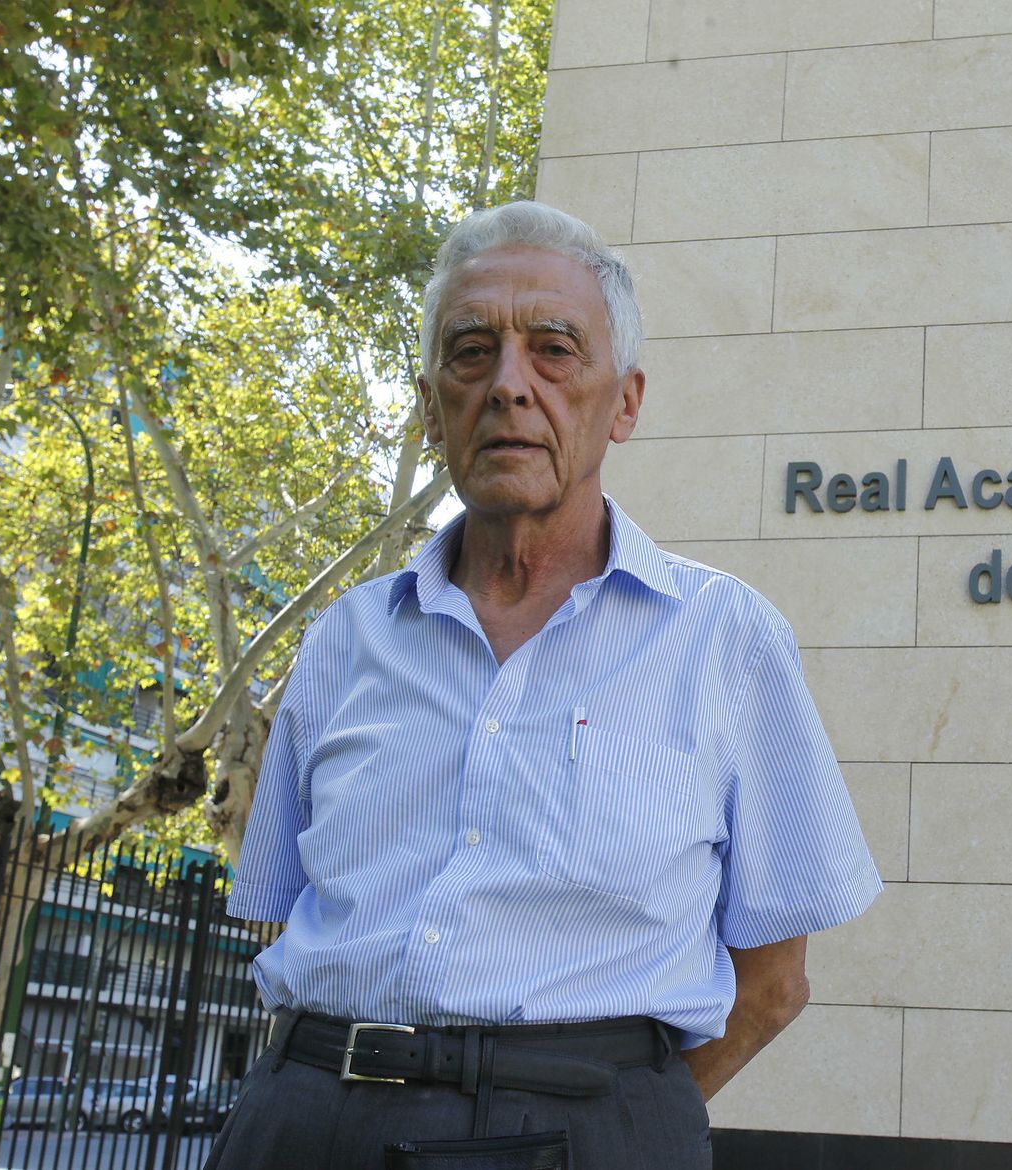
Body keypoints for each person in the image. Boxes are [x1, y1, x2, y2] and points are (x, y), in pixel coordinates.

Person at [210, 200, 882, 1169]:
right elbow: (282, 905)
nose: (509, 386)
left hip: (583, 1132)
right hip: (306, 1126)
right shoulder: (347, 638)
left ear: (627, 401)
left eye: (555, 350)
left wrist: (618, 1123)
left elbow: (773, 986)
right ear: (432, 400)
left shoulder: (725, 642)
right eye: (470, 350)